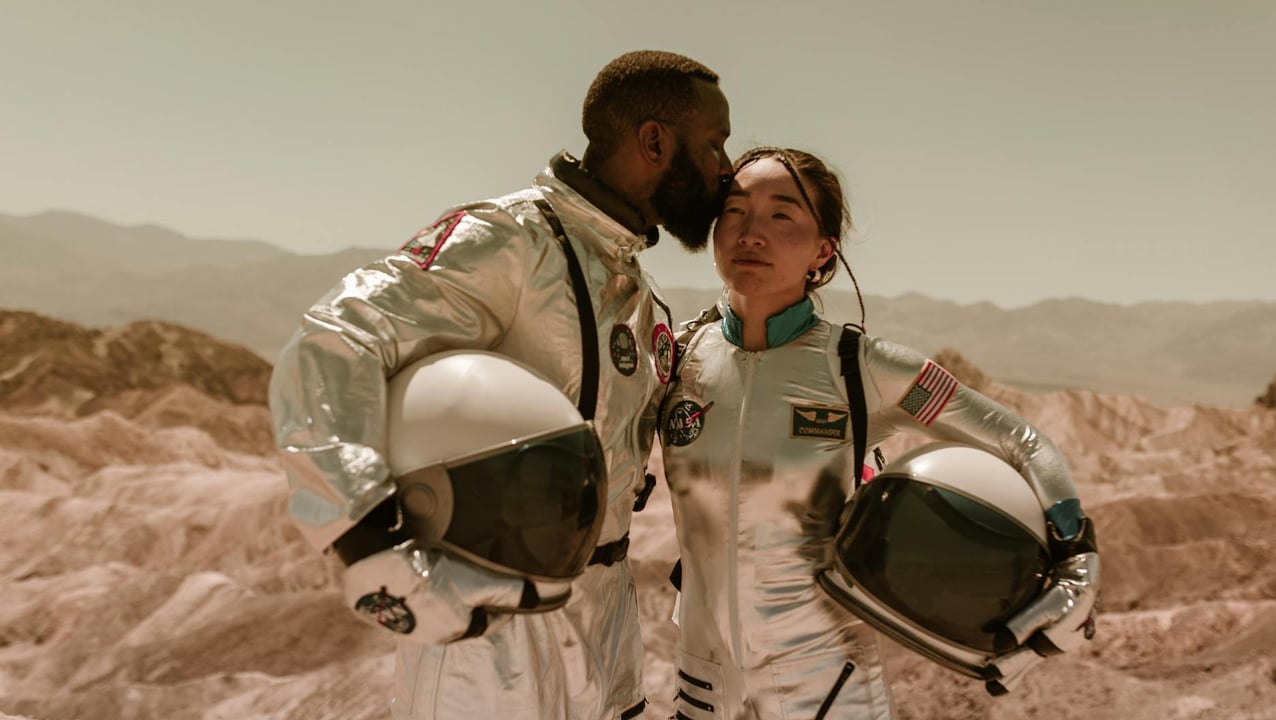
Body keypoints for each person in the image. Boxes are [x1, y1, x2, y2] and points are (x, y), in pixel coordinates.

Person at [268, 50, 732, 720]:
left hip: (607, 621)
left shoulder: (642, 296)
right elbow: (338, 340)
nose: (725, 167)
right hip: (490, 633)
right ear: (655, 142)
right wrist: (364, 539)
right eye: (715, 143)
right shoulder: (509, 241)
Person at [658, 147, 1100, 719]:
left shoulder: (861, 366)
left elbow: (1022, 441)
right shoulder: (680, 356)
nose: (751, 233)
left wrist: (1077, 557)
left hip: (826, 683)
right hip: (703, 680)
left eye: (781, 214)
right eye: (735, 212)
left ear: (824, 250)